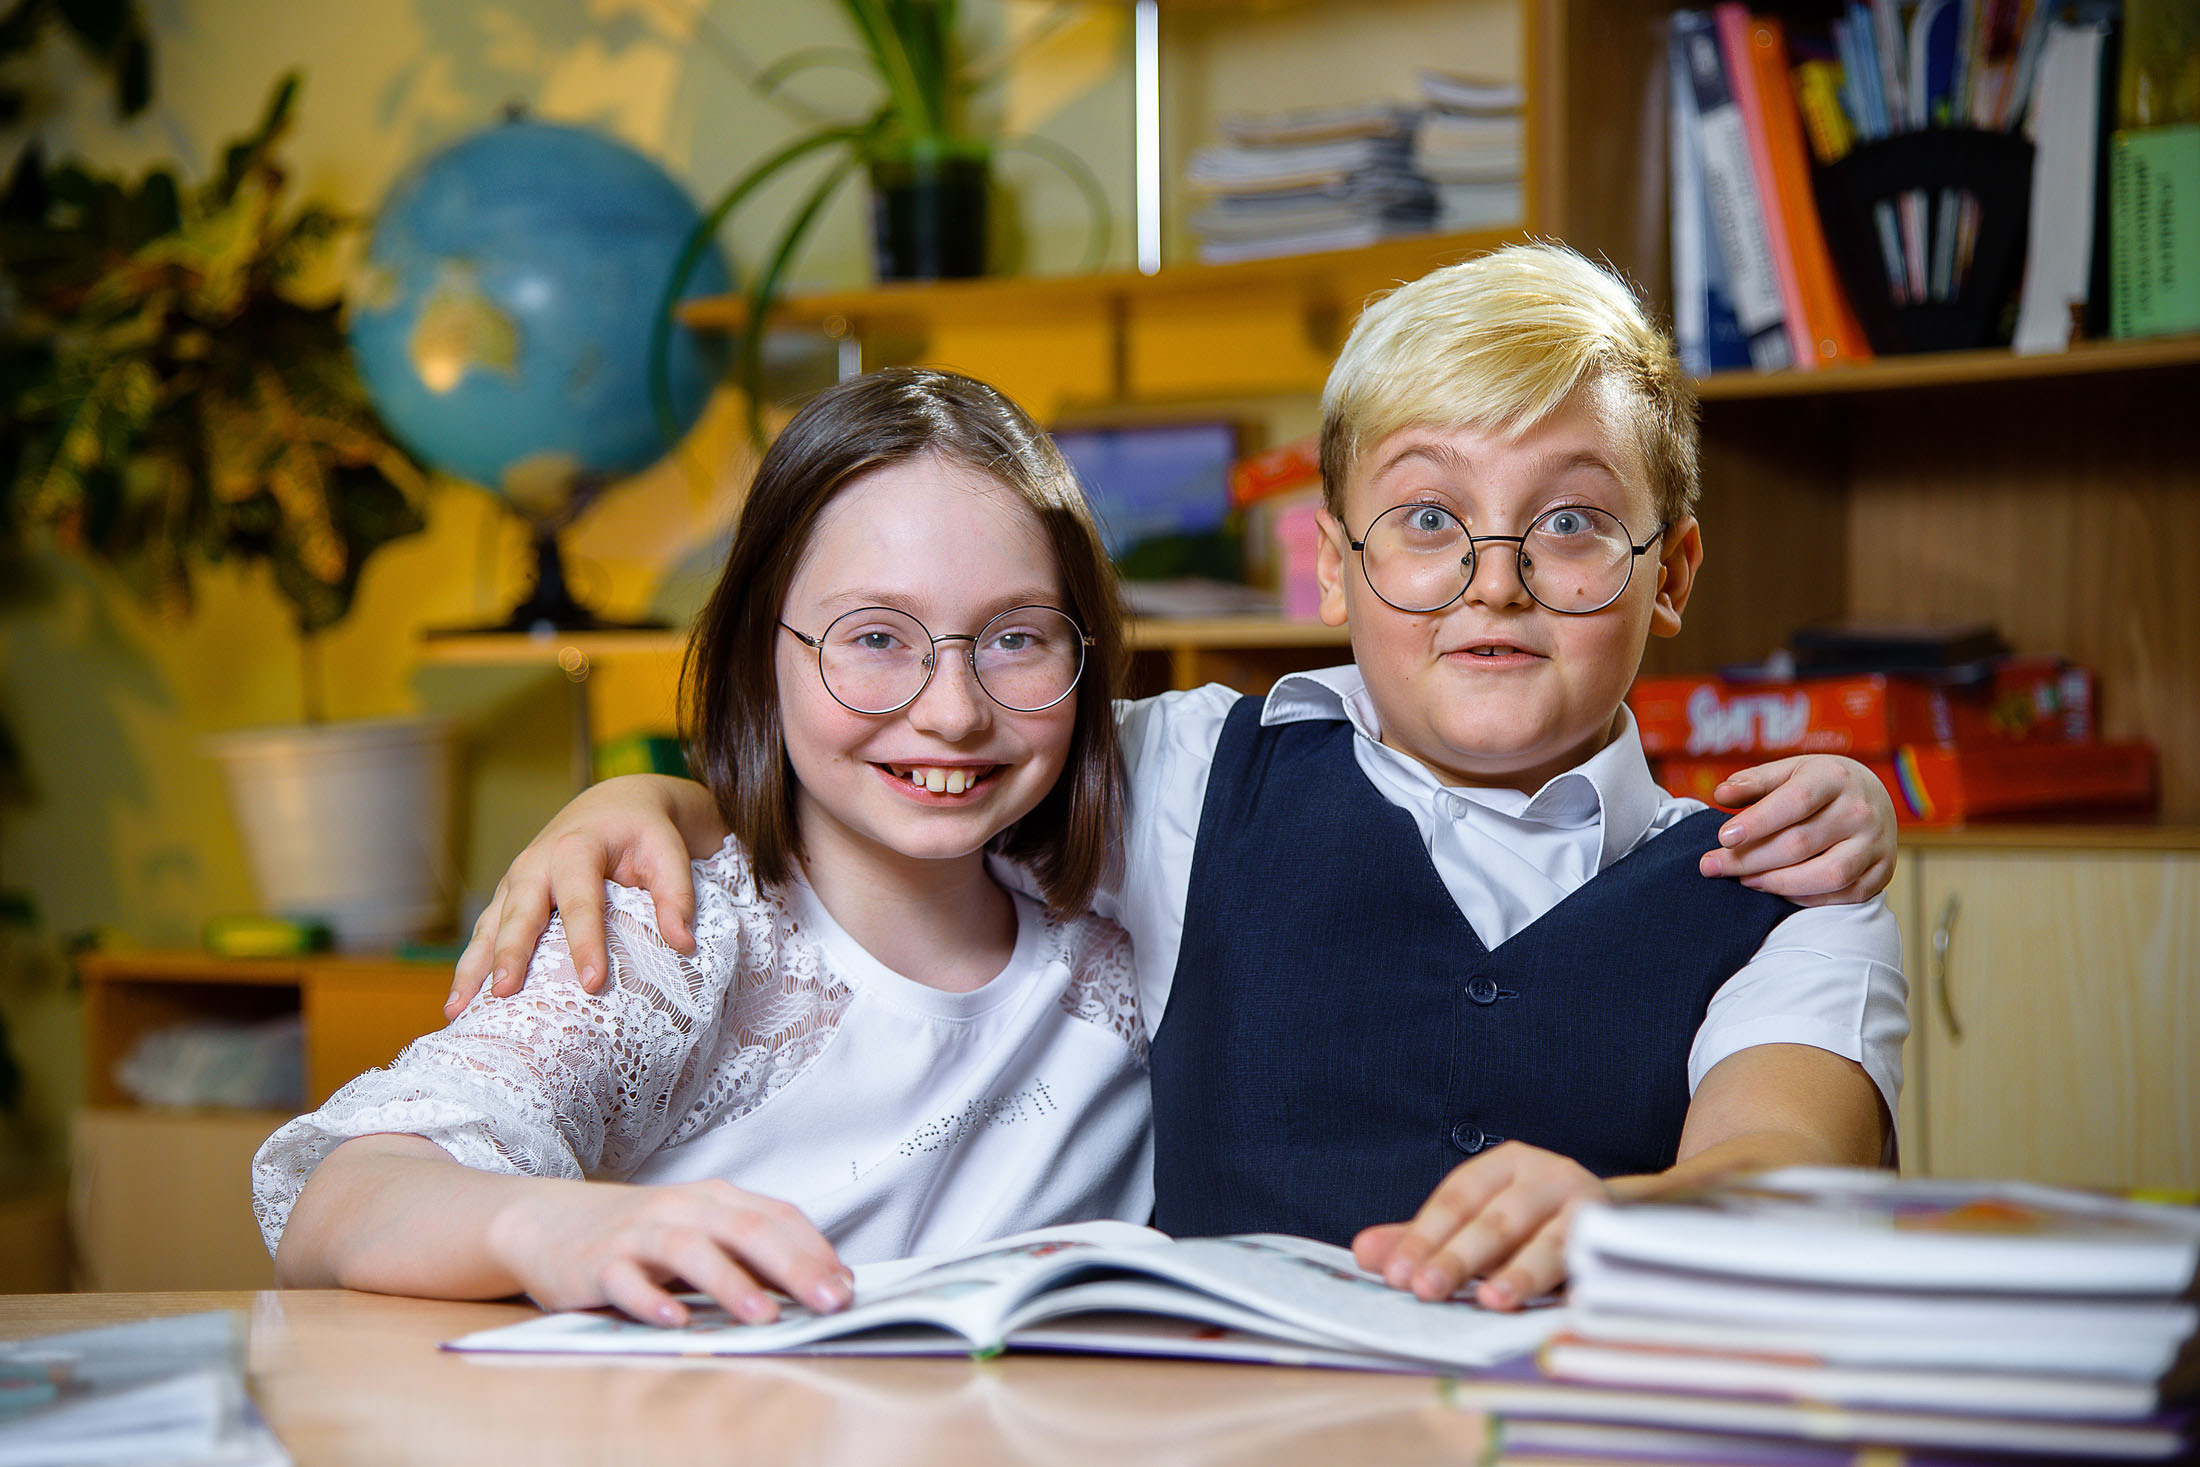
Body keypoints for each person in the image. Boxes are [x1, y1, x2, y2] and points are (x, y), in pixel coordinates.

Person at [446, 243, 1905, 1316]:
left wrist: (1628, 1217)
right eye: (1424, 517)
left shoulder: (1785, 872)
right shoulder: (1198, 770)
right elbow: (934, 747)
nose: (1493, 584)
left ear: (1675, 574)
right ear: (1332, 564)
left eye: (1576, 523)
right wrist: (660, 798)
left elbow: (1788, 1156)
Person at [254, 368, 1153, 1328]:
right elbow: (339, 1200)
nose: (953, 711)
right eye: (876, 636)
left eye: (1018, 639)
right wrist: (554, 1226)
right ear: (761, 660)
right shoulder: (674, 939)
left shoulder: (1137, 934)